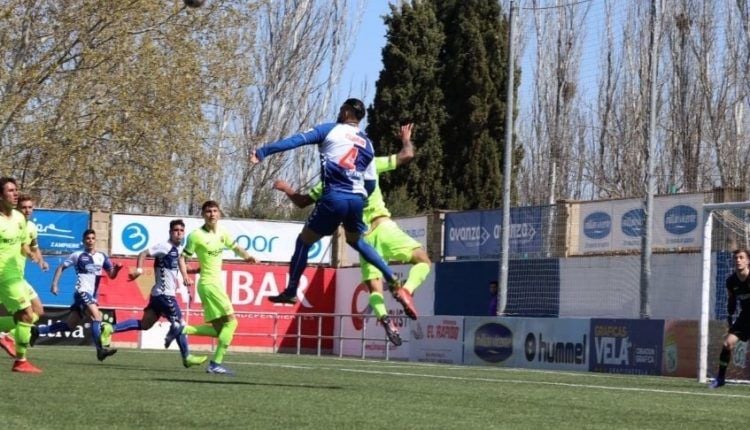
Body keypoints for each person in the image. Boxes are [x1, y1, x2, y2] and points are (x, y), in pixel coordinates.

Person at [273, 123, 431, 346]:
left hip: (362, 237)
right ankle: (406, 290)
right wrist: (405, 138)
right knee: (422, 260)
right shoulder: (370, 163)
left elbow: (302, 202)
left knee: (373, 287)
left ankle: (385, 319)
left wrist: (286, 188)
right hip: (383, 226)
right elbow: (407, 155)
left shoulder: (329, 180)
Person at [251, 98, 401, 305]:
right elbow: (370, 184)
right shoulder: (367, 143)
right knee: (357, 241)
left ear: (348, 112)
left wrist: (264, 151)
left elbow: (296, 140)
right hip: (356, 200)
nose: (339, 112)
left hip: (335, 197)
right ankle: (390, 275)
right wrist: (357, 199)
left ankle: (291, 290)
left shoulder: (331, 130)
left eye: (341, 109)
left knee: (303, 241)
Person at [100, 219, 207, 368]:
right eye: (176, 230)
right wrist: (139, 270)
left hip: (158, 295)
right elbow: (143, 253)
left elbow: (178, 267)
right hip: (165, 295)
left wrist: (196, 270)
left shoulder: (177, 251)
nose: (179, 233)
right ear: (170, 232)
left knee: (145, 324)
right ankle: (186, 356)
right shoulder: (165, 246)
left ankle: (110, 328)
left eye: (181, 231)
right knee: (180, 324)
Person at [175, 200, 257, 375]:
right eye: (208, 211)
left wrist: (248, 257)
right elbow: (182, 258)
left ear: (219, 213)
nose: (212, 214)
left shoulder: (223, 233)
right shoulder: (196, 235)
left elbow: (235, 247)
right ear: (203, 215)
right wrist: (185, 276)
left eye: (214, 211)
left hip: (214, 285)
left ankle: (183, 329)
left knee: (221, 330)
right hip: (209, 284)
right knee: (232, 322)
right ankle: (215, 364)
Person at [32, 229, 123, 361]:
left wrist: (117, 270)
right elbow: (61, 267)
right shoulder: (78, 255)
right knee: (97, 317)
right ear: (83, 241)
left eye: (92, 238)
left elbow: (112, 275)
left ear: (95, 240)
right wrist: (54, 284)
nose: (90, 241)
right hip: (82, 291)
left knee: (69, 325)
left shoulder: (102, 257)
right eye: (87, 238)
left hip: (90, 294)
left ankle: (38, 331)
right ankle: (100, 350)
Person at [0, 177, 44, 372]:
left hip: (17, 275)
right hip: (3, 276)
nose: (15, 193)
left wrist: (34, 256)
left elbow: (24, 243)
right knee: (26, 315)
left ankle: (6, 336)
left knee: (36, 311)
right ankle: (21, 361)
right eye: (10, 190)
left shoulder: (19, 219)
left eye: (16, 190)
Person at [711, 249, 750, 388]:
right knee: (728, 344)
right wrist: (730, 317)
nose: (738, 260)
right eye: (736, 258)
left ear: (748, 261)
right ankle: (720, 379)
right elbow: (732, 300)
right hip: (745, 317)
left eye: (741, 257)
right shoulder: (731, 281)